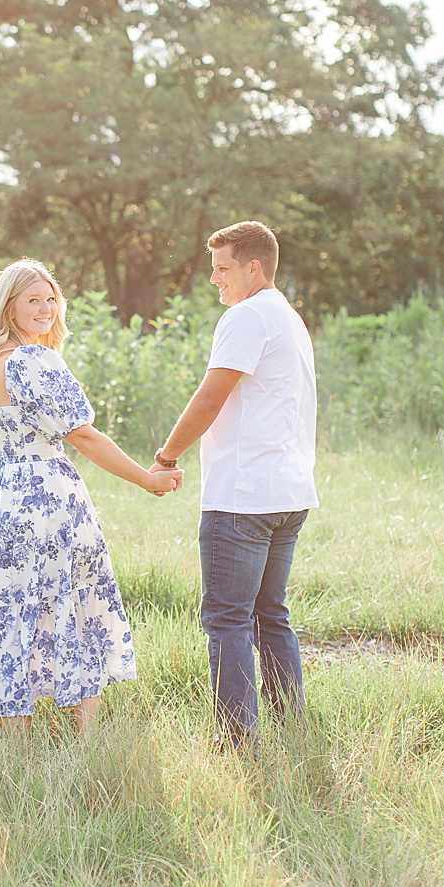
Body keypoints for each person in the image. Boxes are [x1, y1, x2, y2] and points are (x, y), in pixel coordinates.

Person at [0, 258, 182, 731]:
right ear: (8, 306)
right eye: (34, 300)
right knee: (73, 597)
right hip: (44, 496)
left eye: (51, 299)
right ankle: (85, 734)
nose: (46, 308)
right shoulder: (33, 362)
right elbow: (83, 437)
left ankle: (14, 741)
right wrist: (146, 479)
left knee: (6, 609)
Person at [150, 221, 319, 750]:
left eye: (223, 269)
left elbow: (209, 397)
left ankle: (236, 740)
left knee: (226, 618)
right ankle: (289, 724)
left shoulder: (246, 316)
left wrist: (166, 455)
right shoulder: (289, 319)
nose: (215, 280)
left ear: (254, 268)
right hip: (289, 494)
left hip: (245, 498)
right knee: (271, 614)